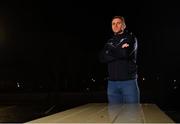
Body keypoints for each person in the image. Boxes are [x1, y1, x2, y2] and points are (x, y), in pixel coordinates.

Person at [99, 16, 140, 104]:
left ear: (124, 25)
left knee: (133, 114)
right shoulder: (109, 41)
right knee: (114, 115)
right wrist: (119, 50)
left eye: (118, 23)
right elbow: (102, 58)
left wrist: (109, 52)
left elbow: (125, 53)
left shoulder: (131, 38)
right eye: (113, 23)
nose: (115, 25)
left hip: (128, 82)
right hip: (112, 84)